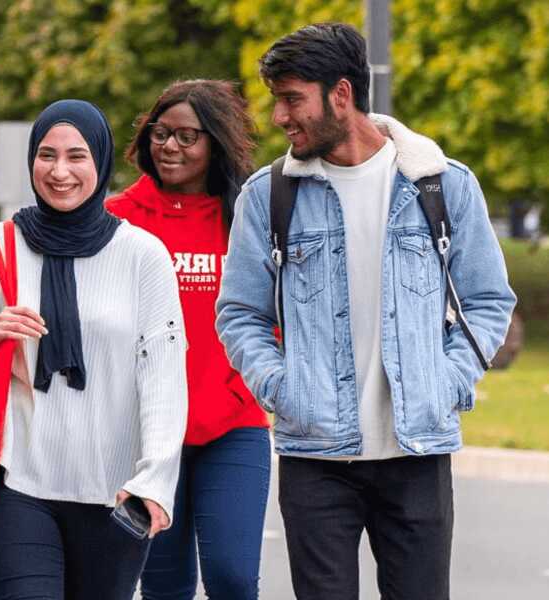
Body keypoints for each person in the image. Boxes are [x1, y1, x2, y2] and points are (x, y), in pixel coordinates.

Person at [216, 23, 517, 600]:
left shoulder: (439, 185)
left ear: (341, 94)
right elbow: (240, 313)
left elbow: (487, 301)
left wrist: (448, 381)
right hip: (315, 455)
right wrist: (281, 387)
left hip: (417, 452)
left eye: (291, 99)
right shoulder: (268, 194)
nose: (279, 117)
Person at [0, 99, 187, 599]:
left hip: (114, 490)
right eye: (46, 155)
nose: (60, 171)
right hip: (15, 480)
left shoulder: (143, 256)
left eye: (76, 156)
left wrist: (154, 477)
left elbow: (163, 376)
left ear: (101, 161)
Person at [108, 80, 271, 600]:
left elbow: (274, 315)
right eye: (161, 132)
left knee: (233, 577)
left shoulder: (248, 217)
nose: (170, 146)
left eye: (187, 136)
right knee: (164, 585)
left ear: (215, 143)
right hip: (151, 437)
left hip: (233, 424)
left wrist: (244, 386)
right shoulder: (116, 220)